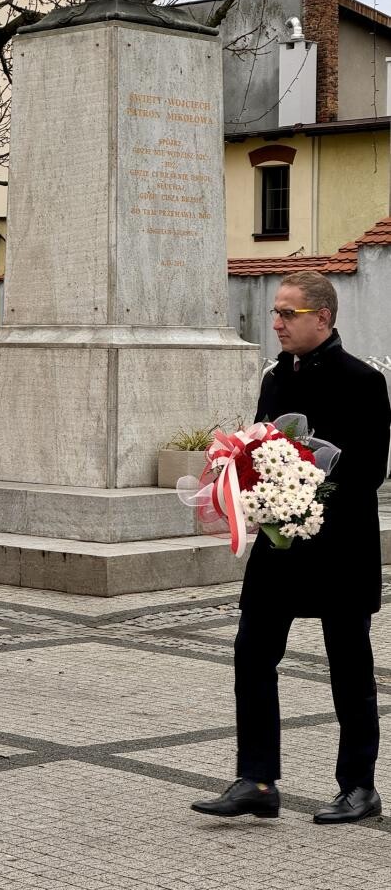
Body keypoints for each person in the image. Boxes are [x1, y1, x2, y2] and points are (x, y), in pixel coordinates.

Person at [191, 272, 391, 825]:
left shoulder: (362, 382)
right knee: (252, 654)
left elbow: (370, 470)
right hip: (278, 550)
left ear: (322, 317)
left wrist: (305, 491)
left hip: (340, 549)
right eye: (276, 313)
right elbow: (262, 446)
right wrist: (249, 486)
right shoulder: (277, 376)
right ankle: (256, 779)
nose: (275, 322)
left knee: (349, 666)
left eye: (287, 314)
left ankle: (359, 787)